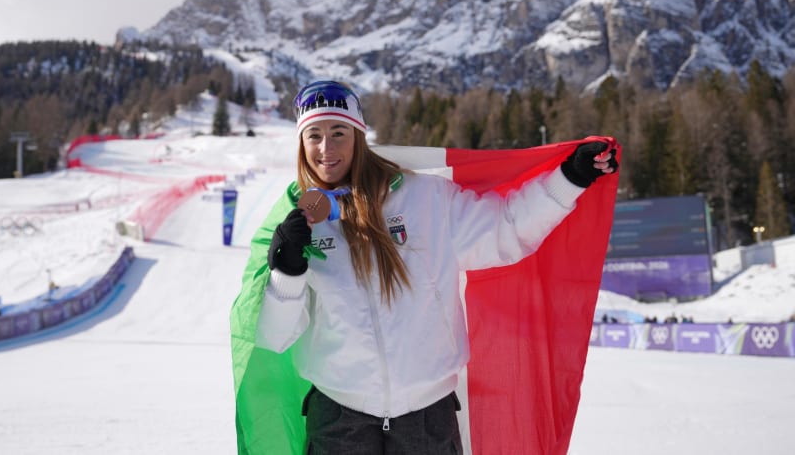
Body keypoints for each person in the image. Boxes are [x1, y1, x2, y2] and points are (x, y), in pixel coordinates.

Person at [232, 80, 619, 455]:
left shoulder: (425, 198)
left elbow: (507, 227)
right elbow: (274, 336)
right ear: (301, 144)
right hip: (338, 419)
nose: (326, 148)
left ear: (359, 136)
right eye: (314, 135)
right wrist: (287, 273)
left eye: (338, 133)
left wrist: (570, 178)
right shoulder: (294, 222)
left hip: (426, 419)